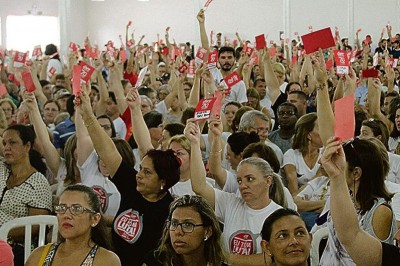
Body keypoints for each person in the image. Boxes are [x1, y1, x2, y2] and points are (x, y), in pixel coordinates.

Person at [77, 85, 181, 265]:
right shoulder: (132, 185)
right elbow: (107, 149)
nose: (139, 175)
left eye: (147, 172)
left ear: (163, 182)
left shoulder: (170, 212)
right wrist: (87, 114)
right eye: (140, 168)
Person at [185, 120, 283, 265]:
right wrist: (194, 143)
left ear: (268, 181)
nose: (243, 185)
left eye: (250, 179)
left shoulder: (279, 215)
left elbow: (275, 258)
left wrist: (229, 258)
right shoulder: (231, 203)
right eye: (239, 181)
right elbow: (199, 186)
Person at [320, 137, 400, 266]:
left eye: (340, 163)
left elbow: (360, 249)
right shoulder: (346, 200)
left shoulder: (380, 211)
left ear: (356, 173)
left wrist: (336, 176)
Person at [25, 184, 120, 266]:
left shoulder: (106, 260)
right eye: (62, 208)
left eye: (77, 209)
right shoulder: (38, 256)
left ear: (95, 219)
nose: (66, 215)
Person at [0, 124, 52, 265]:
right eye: (4, 143)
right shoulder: (1, 169)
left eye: (13, 142)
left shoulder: (38, 182)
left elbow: (36, 226)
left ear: (27, 146)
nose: (7, 147)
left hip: (19, 248)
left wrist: (3, 232)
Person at [142, 195, 226, 266]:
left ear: (207, 231)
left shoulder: (220, 264)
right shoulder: (155, 261)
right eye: (174, 224)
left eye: (188, 225)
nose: (178, 232)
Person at [282, 113, 323, 194]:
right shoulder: (290, 155)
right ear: (309, 135)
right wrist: (318, 176)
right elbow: (294, 194)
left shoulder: (326, 154)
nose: (325, 131)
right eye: (321, 127)